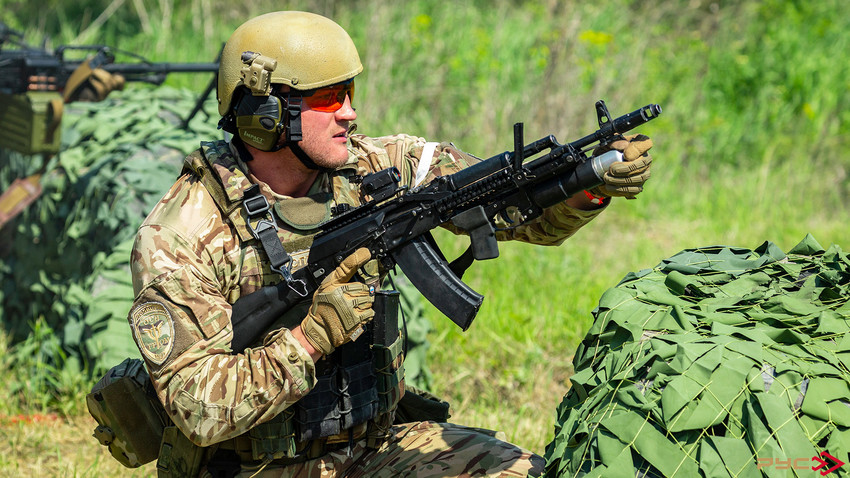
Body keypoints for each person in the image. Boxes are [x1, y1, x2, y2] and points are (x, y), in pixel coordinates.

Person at [127, 10, 652, 478]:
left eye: (351, 94)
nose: (350, 114)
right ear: (265, 116)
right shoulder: (180, 233)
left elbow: (503, 203)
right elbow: (197, 409)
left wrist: (587, 184)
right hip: (253, 465)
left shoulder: (381, 167)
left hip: (372, 448)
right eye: (330, 98)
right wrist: (310, 339)